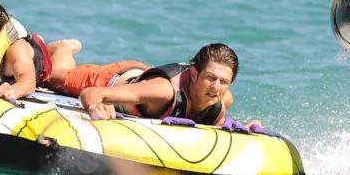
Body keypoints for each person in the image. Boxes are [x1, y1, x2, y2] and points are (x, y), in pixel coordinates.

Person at [59, 43, 240, 126]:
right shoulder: (163, 93)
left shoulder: (223, 100)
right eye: (210, 78)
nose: (216, 87)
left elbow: (208, 120)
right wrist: (94, 107)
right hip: (111, 78)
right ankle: (64, 47)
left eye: (224, 81)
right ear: (194, 74)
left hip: (144, 79)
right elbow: (92, 93)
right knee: (54, 78)